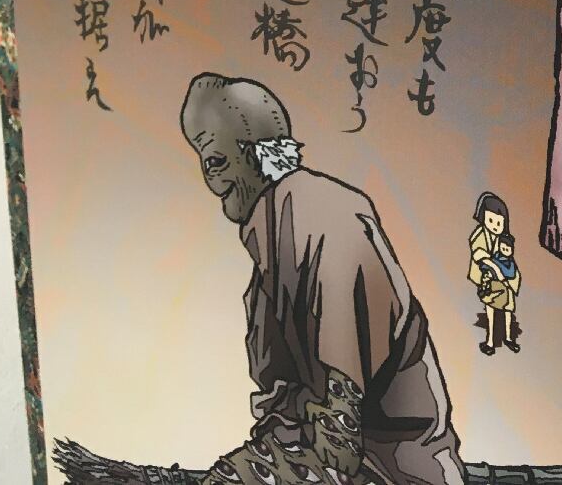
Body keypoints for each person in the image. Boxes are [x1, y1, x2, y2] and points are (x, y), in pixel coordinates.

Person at [181, 72, 463, 485]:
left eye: (216, 162)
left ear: (254, 154)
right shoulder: (272, 239)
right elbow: (284, 405)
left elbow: (339, 431)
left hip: (394, 471)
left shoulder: (325, 217)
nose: (213, 182)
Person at [468, 192, 520, 355]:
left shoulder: (502, 238)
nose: (495, 226)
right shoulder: (479, 235)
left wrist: (509, 277)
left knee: (508, 308)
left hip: (505, 278)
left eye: (499, 222)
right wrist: (495, 269)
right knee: (491, 307)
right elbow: (479, 255)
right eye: (491, 221)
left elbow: (508, 257)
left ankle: (509, 338)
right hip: (488, 278)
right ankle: (490, 341)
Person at [476, 232, 521, 356]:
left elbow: (510, 273)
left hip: (507, 289)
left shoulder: (510, 263)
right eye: (503, 248)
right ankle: (490, 342)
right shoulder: (495, 257)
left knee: (507, 313)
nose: (505, 251)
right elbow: (485, 266)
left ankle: (508, 338)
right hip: (494, 287)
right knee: (491, 313)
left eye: (508, 249)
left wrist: (496, 269)